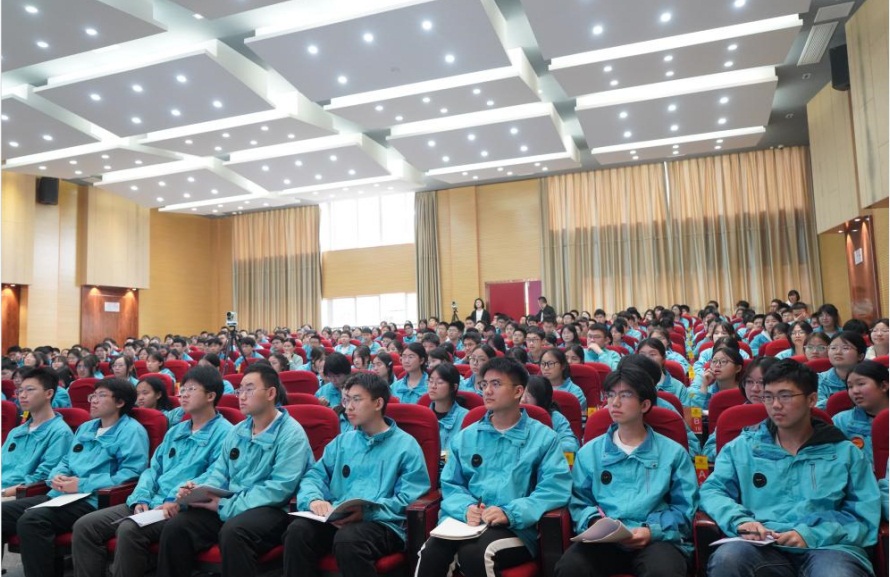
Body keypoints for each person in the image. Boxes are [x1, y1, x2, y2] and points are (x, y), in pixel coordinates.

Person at [701, 359, 880, 577]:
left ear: (811, 399)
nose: (775, 405)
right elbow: (713, 490)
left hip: (829, 546)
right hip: (763, 544)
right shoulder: (743, 447)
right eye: (768, 396)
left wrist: (810, 534)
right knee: (728, 559)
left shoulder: (845, 452)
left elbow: (864, 512)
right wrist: (741, 520)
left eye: (785, 396)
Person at [414, 357, 572, 577]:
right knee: (430, 552)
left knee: (476, 553)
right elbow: (451, 484)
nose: (487, 391)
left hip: (515, 527)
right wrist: (466, 508)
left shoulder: (544, 438)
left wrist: (510, 513)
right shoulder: (466, 437)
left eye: (496, 384)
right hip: (466, 522)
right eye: (484, 384)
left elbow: (554, 489)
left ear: (518, 391)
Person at [71, 367, 232, 577]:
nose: (183, 394)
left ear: (210, 396)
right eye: (182, 389)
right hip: (150, 501)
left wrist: (175, 498)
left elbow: (214, 475)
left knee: (129, 530)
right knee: (85, 526)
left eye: (191, 389)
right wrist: (141, 497)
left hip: (180, 506)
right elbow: (152, 469)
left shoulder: (226, 433)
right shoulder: (176, 430)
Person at [155, 364, 313, 577]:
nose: (242, 396)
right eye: (240, 390)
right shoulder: (238, 430)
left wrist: (226, 506)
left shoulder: (291, 433)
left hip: (272, 508)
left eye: (249, 389)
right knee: (177, 527)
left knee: (234, 531)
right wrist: (200, 490)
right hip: (231, 503)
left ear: (271, 393)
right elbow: (220, 473)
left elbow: (280, 488)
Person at [554, 363, 698, 577]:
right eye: (611, 395)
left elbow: (684, 508)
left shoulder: (673, 453)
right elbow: (579, 501)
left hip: (656, 539)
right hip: (605, 540)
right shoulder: (589, 452)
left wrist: (652, 531)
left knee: (663, 571)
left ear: (645, 404)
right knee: (570, 567)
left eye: (625, 395)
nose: (615, 403)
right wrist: (594, 522)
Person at [283, 372, 430, 577]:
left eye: (356, 400)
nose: (348, 407)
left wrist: (367, 512)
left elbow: (408, 498)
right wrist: (314, 499)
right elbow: (314, 476)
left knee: (348, 539)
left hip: (383, 523)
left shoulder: (406, 446)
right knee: (298, 531)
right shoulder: (343, 442)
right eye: (346, 400)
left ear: (378, 403)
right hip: (338, 517)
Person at [2, 378, 149, 577]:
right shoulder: (86, 427)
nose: (93, 400)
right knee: (3, 512)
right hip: (61, 495)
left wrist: (82, 484)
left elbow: (131, 473)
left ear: (120, 402)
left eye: (101, 396)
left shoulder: (132, 431)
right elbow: (66, 460)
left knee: (33, 520)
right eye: (93, 395)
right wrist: (57, 476)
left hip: (93, 499)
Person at [1, 367, 74, 497]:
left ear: (49, 394)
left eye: (29, 390)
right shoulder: (16, 432)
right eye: (20, 391)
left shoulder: (60, 433)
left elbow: (42, 478)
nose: (22, 395)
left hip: (17, 496)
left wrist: (4, 493)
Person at [701, 357, 777, 463]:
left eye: (762, 382)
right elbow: (708, 451)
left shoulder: (784, 415)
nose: (754, 389)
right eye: (749, 382)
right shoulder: (733, 416)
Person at [832, 360, 888, 468]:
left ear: (884, 386)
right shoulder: (841, 421)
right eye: (850, 386)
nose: (855, 391)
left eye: (861, 384)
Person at [522, 375, 579, 454]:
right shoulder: (512, 416)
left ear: (541, 398)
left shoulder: (556, 418)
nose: (523, 400)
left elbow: (571, 446)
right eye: (521, 394)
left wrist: (542, 448)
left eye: (529, 395)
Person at [428, 363, 471, 453]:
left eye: (439, 382)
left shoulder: (466, 418)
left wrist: (439, 457)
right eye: (430, 381)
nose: (433, 386)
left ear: (454, 387)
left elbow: (460, 453)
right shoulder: (422, 416)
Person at [817, 331, 867, 409]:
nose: (838, 352)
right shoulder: (819, 379)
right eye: (833, 348)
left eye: (845, 348)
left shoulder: (871, 378)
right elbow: (817, 408)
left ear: (860, 356)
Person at [637, 338, 691, 406]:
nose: (647, 358)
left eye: (652, 354)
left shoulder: (679, 388)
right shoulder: (631, 384)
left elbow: (687, 412)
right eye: (642, 355)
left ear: (663, 358)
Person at [691, 344, 744, 410]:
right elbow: (695, 414)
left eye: (723, 361)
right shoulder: (708, 391)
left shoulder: (747, 391)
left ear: (738, 368)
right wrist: (704, 386)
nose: (717, 365)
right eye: (714, 361)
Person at [540, 348, 587, 416]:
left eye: (551, 363)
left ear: (563, 366)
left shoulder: (575, 392)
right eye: (543, 363)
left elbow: (580, 418)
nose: (546, 368)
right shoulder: (535, 388)